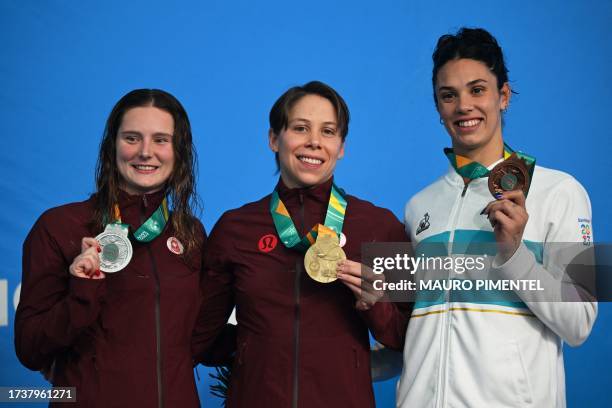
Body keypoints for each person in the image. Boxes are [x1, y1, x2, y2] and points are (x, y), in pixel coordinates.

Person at [394, 27, 597, 407]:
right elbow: (416, 331)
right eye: (448, 95)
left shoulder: (563, 190)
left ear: (502, 96)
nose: (463, 106)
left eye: (477, 89)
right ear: (438, 107)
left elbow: (581, 323)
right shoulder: (418, 206)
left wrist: (516, 255)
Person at [192, 81, 410, 407]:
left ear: (342, 146)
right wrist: (255, 347)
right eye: (300, 128)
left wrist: (375, 305)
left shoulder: (380, 226)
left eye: (328, 132)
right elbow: (202, 338)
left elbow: (409, 338)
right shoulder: (235, 228)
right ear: (273, 139)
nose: (314, 142)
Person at [15, 89, 207, 407]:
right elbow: (30, 348)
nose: (146, 152)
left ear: (179, 151)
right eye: (132, 138)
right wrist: (82, 291)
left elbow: (201, 337)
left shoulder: (190, 234)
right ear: (111, 146)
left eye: (161, 140)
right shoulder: (61, 226)